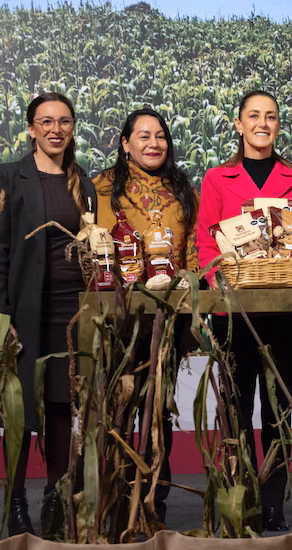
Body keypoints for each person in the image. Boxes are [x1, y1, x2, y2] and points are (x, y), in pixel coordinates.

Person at [196, 90, 292, 531]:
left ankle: (274, 502)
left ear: (278, 125)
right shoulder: (216, 179)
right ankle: (241, 498)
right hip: (233, 313)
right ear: (238, 123)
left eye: (271, 116)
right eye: (253, 116)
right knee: (237, 409)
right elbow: (206, 242)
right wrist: (219, 280)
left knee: (278, 413)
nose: (262, 123)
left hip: (283, 310)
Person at [0, 92, 96, 538]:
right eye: (45, 122)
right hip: (25, 310)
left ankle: (56, 496)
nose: (55, 130)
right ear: (31, 128)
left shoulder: (80, 181)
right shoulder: (9, 175)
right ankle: (15, 503)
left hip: (72, 310)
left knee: (63, 405)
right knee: (20, 409)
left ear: (72, 128)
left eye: (64, 122)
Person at [93, 107, 199, 526]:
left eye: (160, 136)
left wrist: (191, 300)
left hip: (166, 317)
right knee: (117, 405)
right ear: (125, 143)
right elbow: (94, 243)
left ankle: (155, 498)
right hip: (117, 315)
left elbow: (190, 251)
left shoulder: (182, 189)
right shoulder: (102, 187)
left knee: (158, 410)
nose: (154, 143)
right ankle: (115, 499)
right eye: (143, 136)